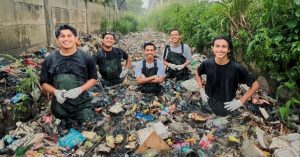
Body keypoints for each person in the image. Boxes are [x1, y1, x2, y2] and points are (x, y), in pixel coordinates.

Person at [40, 24, 98, 130]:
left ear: (76, 38)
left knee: (86, 131)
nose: (66, 39)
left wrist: (80, 89)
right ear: (57, 40)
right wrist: (56, 92)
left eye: (69, 35)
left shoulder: (86, 58)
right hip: (59, 106)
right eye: (62, 36)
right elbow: (44, 83)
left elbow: (93, 78)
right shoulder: (49, 60)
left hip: (81, 105)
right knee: (59, 132)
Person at [195, 35, 260, 116]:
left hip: (226, 105)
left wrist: (240, 101)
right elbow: (197, 72)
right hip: (207, 100)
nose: (220, 49)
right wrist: (201, 90)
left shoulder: (236, 68)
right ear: (213, 48)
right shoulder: (207, 63)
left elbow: (255, 85)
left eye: (224, 46)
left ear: (229, 49)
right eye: (217, 46)